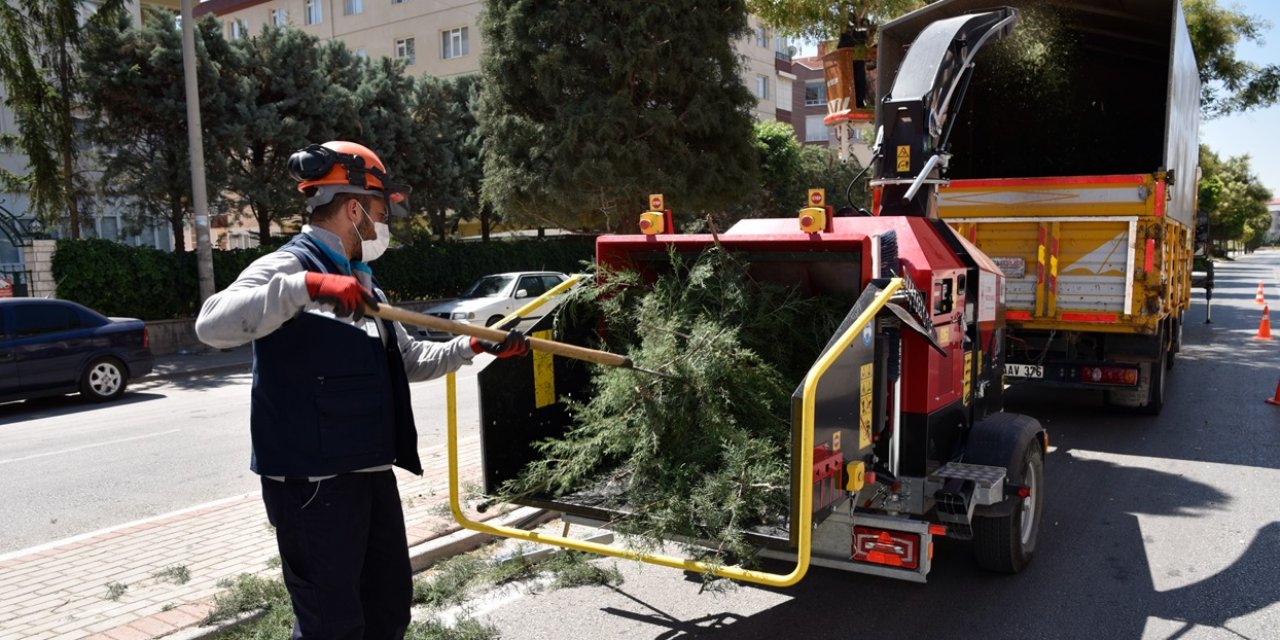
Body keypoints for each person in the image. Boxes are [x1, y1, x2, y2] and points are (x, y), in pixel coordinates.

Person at [195, 140, 529, 639]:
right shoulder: (287, 267)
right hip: (312, 486)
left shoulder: (366, 283)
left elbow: (409, 359)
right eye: (379, 211)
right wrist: (306, 287)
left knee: (387, 612)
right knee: (332, 627)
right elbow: (210, 325)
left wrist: (474, 347)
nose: (384, 224)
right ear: (353, 209)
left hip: (369, 475)